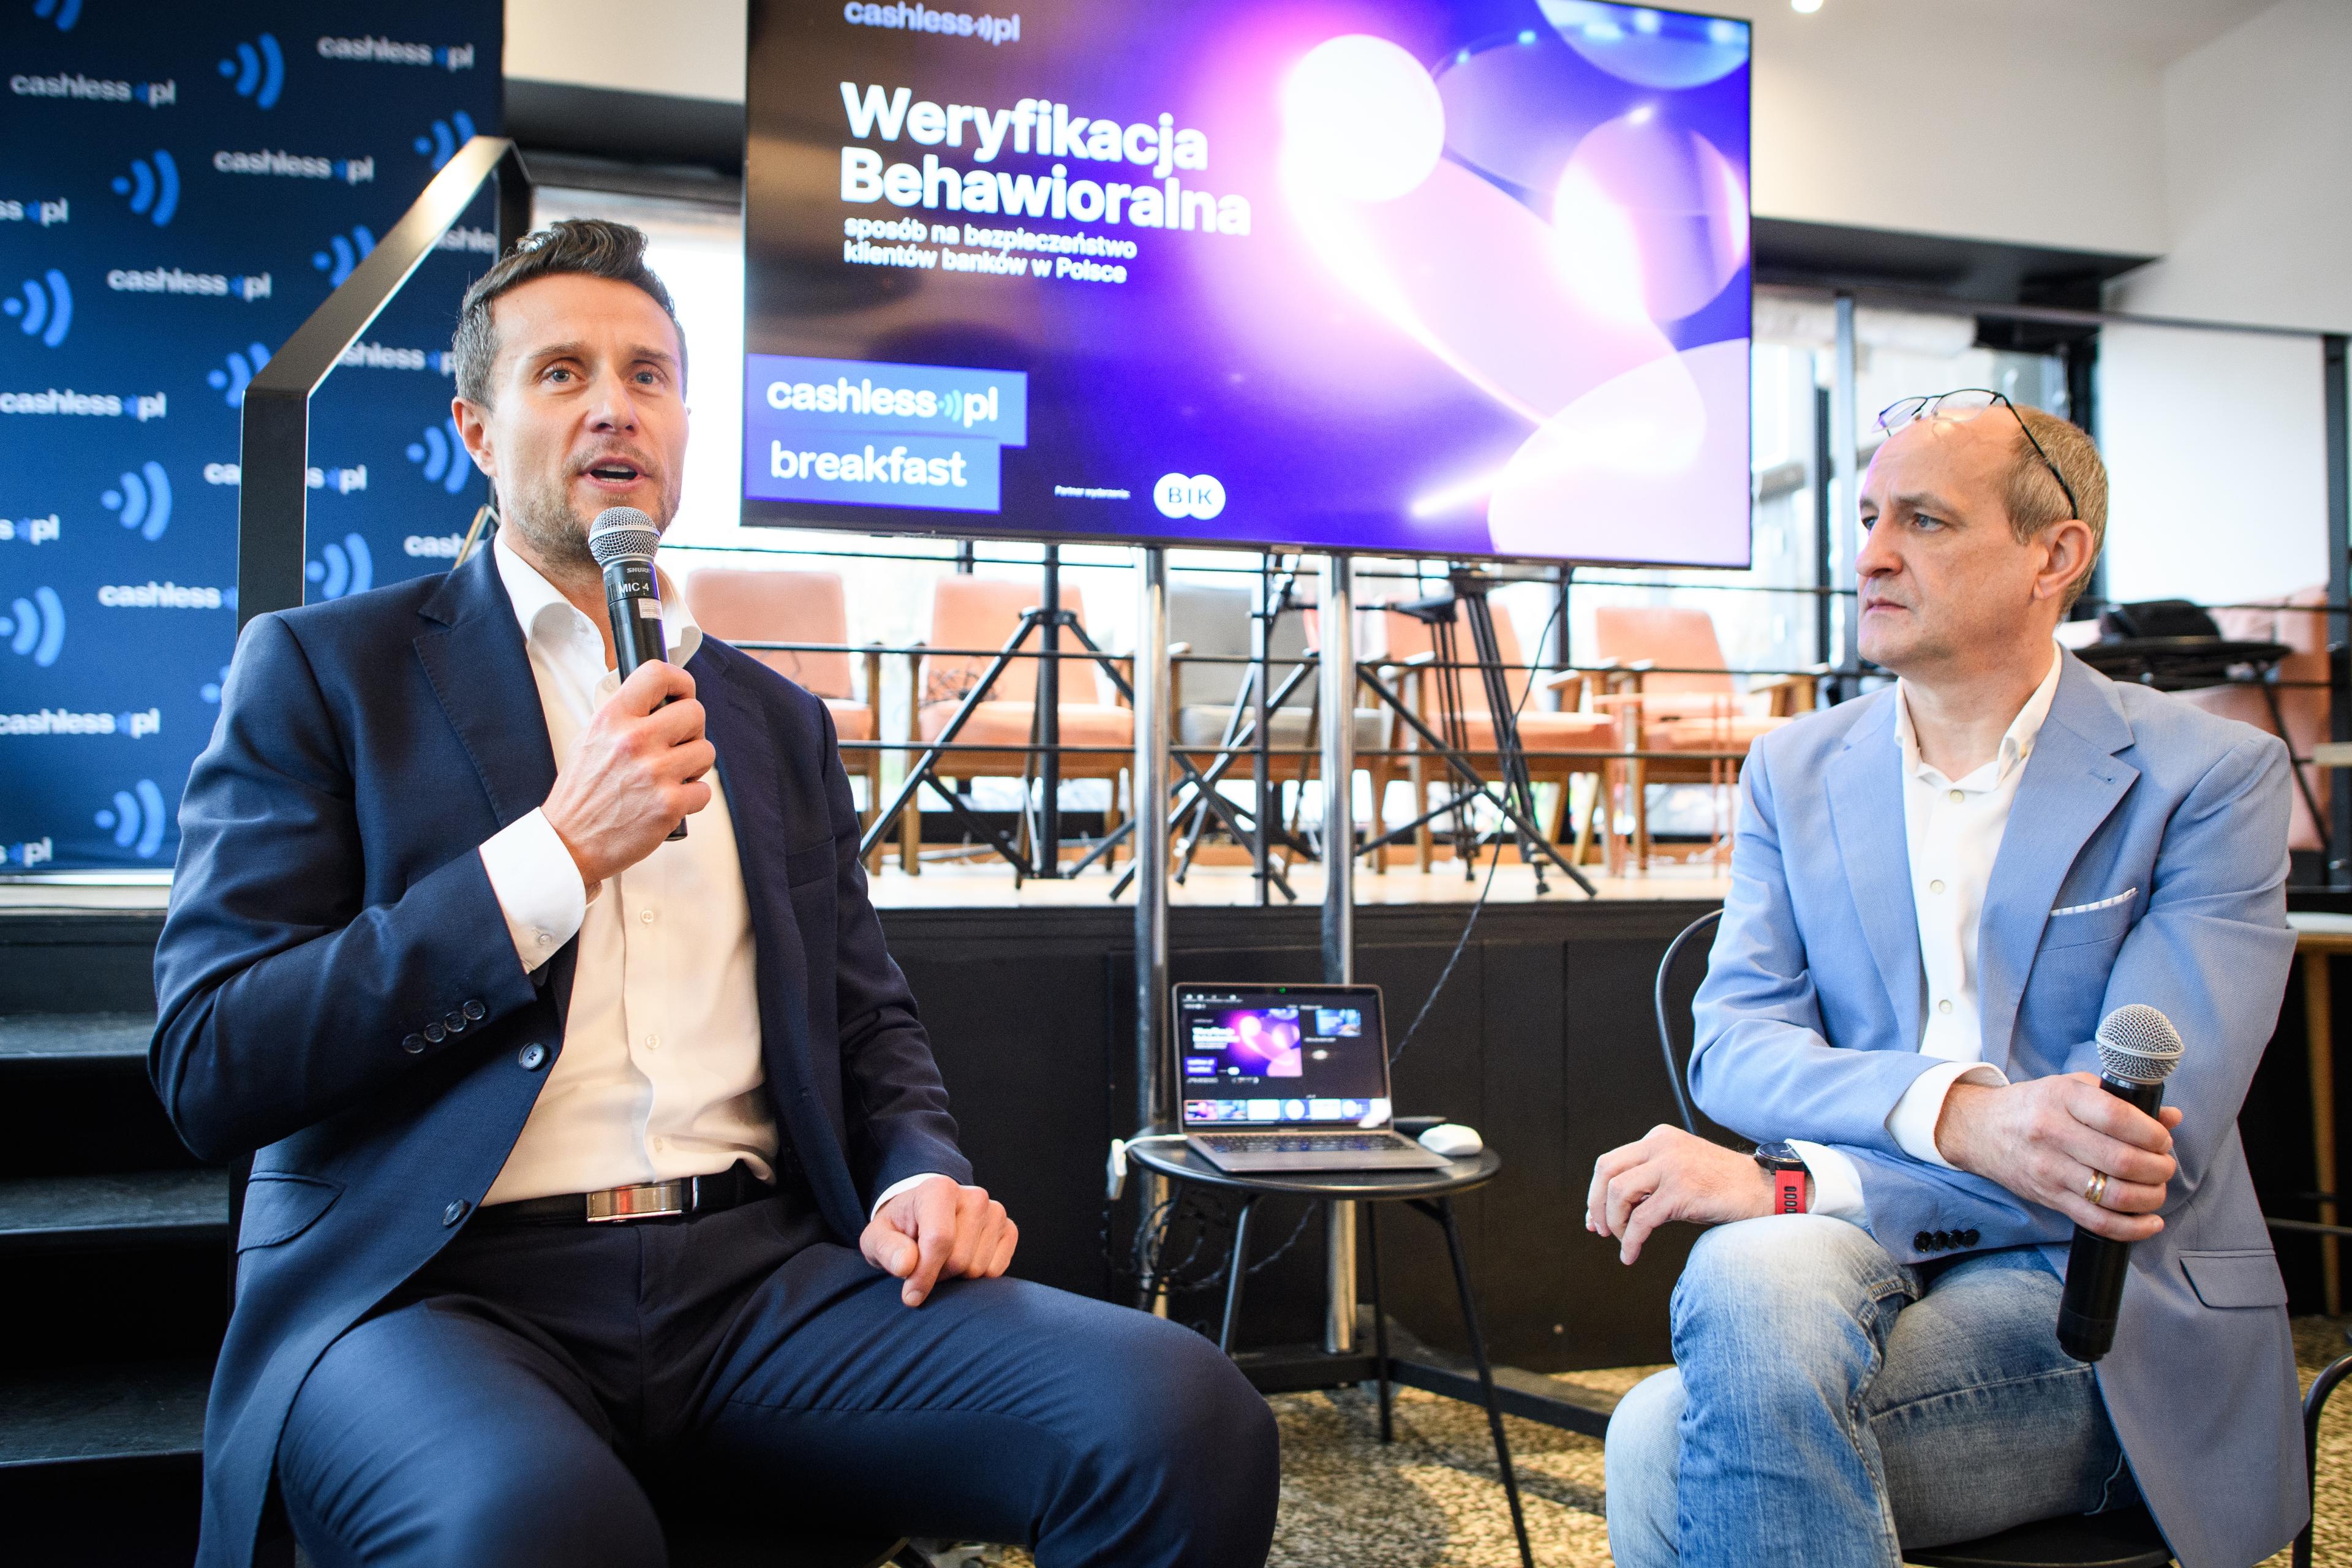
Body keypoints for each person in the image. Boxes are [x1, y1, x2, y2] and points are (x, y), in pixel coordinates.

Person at [151, 219, 1280, 1568]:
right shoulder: (329, 671)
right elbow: (213, 1059)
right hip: (436, 1288)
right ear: (475, 430)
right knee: (536, 1530)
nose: (614, 405)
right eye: (561, 372)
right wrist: (554, 855)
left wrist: (921, 1169)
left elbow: (868, 1022)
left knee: (1183, 1415)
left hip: (753, 1281)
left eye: (649, 374)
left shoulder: (775, 720)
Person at [1589, 391, 2303, 1568]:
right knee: (1746, 1274)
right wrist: (1963, 1119)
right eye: (1870, 518)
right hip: (1849, 1244)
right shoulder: (1793, 768)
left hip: (2107, 1306)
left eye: (1923, 520)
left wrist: (1800, 1183)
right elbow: (1738, 1047)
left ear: (2053, 556)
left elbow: (2122, 1161)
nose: (1871, 554)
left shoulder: (2212, 776)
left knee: (1663, 1436)